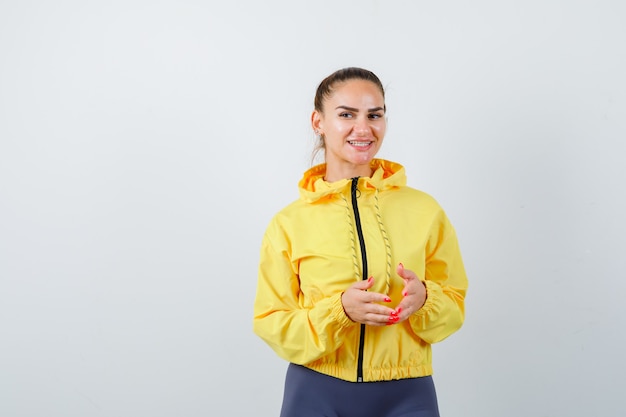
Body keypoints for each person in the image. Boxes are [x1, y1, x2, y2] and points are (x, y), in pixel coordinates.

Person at [253, 67, 468, 417]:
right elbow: (272, 322)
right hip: (315, 392)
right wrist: (340, 311)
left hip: (408, 393)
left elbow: (455, 305)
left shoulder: (425, 210)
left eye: (374, 115)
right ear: (318, 121)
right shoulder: (288, 223)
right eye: (346, 115)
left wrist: (426, 298)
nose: (363, 128)